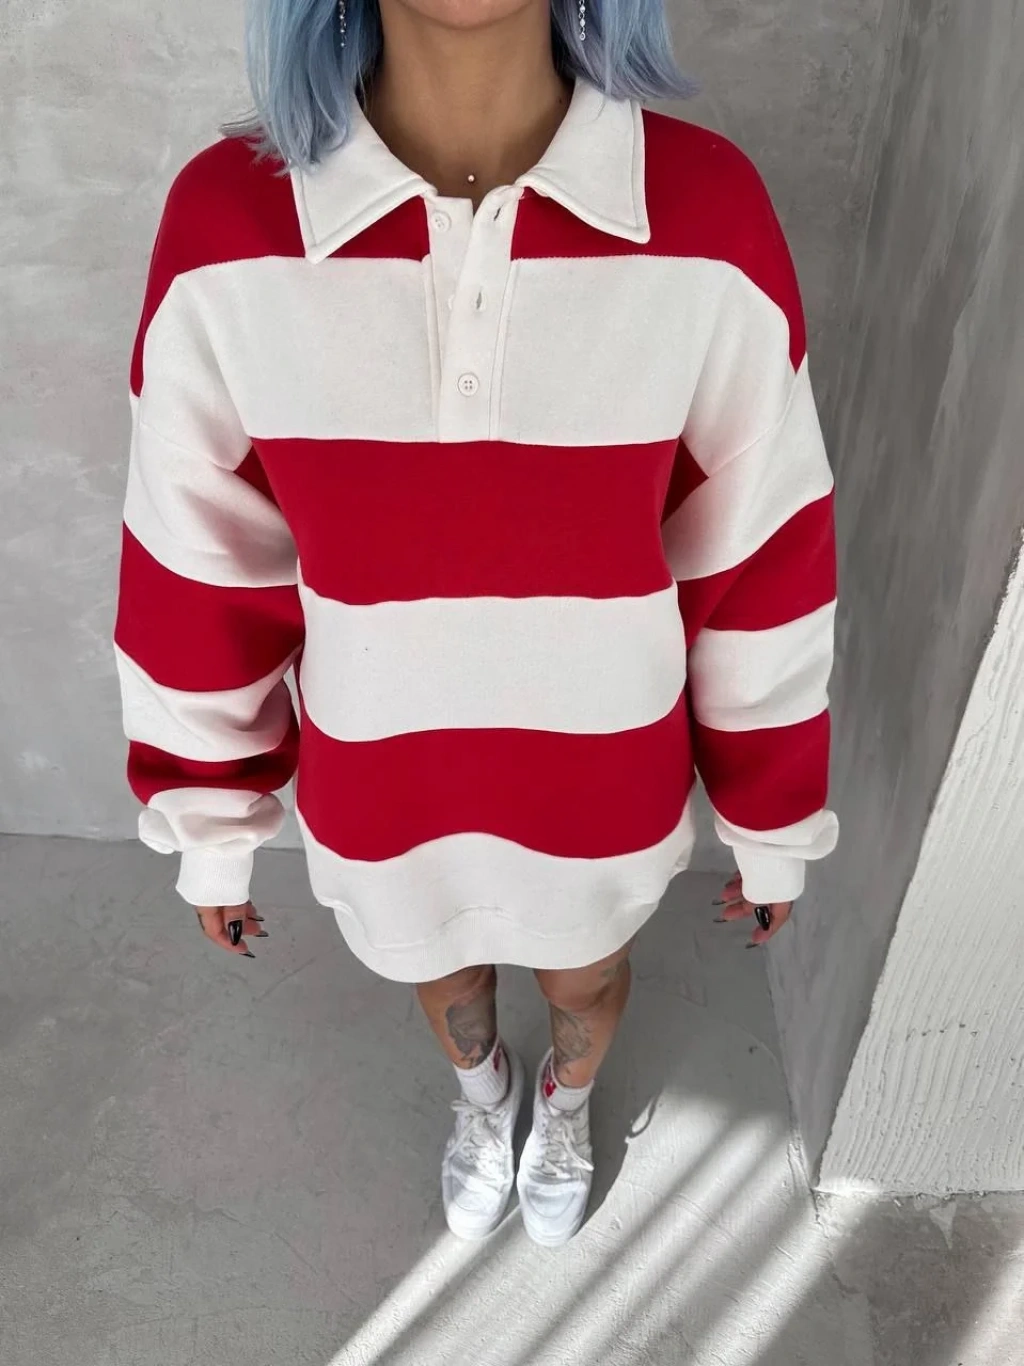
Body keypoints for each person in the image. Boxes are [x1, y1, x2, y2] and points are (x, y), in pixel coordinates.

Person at [112, 0, 839, 1249]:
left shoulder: (706, 212)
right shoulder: (226, 222)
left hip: (604, 780)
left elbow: (762, 549)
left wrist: (770, 819)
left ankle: (563, 1104)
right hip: (383, 783)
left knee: (585, 978)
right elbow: (192, 559)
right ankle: (482, 1094)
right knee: (438, 971)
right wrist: (210, 821)